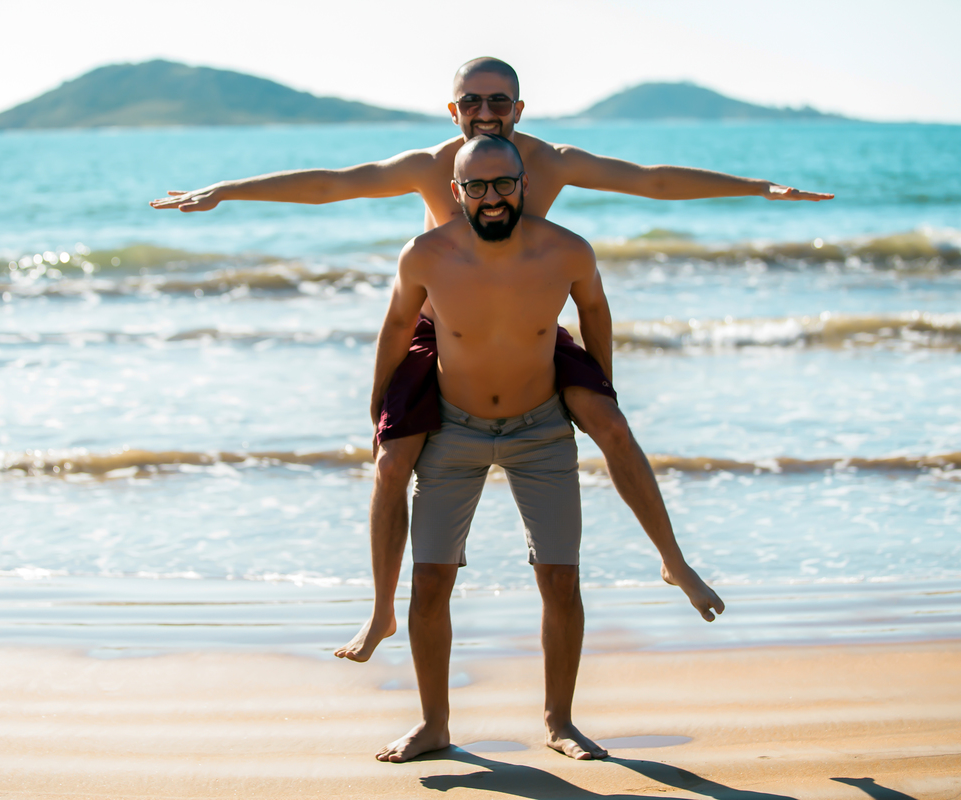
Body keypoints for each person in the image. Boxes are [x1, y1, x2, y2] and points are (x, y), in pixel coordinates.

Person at [151, 57, 829, 662]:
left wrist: (758, 187)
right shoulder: (430, 165)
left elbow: (651, 181)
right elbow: (336, 183)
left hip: (531, 329)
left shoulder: (550, 160)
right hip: (438, 332)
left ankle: (673, 561)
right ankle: (382, 611)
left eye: (497, 100)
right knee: (391, 463)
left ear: (519, 108)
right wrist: (229, 189)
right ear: (453, 109)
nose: (484, 111)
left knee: (613, 426)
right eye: (471, 100)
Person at [372, 134, 723, 763]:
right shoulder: (424, 255)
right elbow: (399, 324)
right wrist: (378, 403)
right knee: (430, 582)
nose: (492, 197)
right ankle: (433, 724)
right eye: (476, 187)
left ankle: (561, 722)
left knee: (560, 579)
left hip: (540, 430)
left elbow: (594, 311)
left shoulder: (568, 250)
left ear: (524, 185)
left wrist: (601, 387)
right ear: (456, 192)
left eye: (504, 184)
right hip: (454, 429)